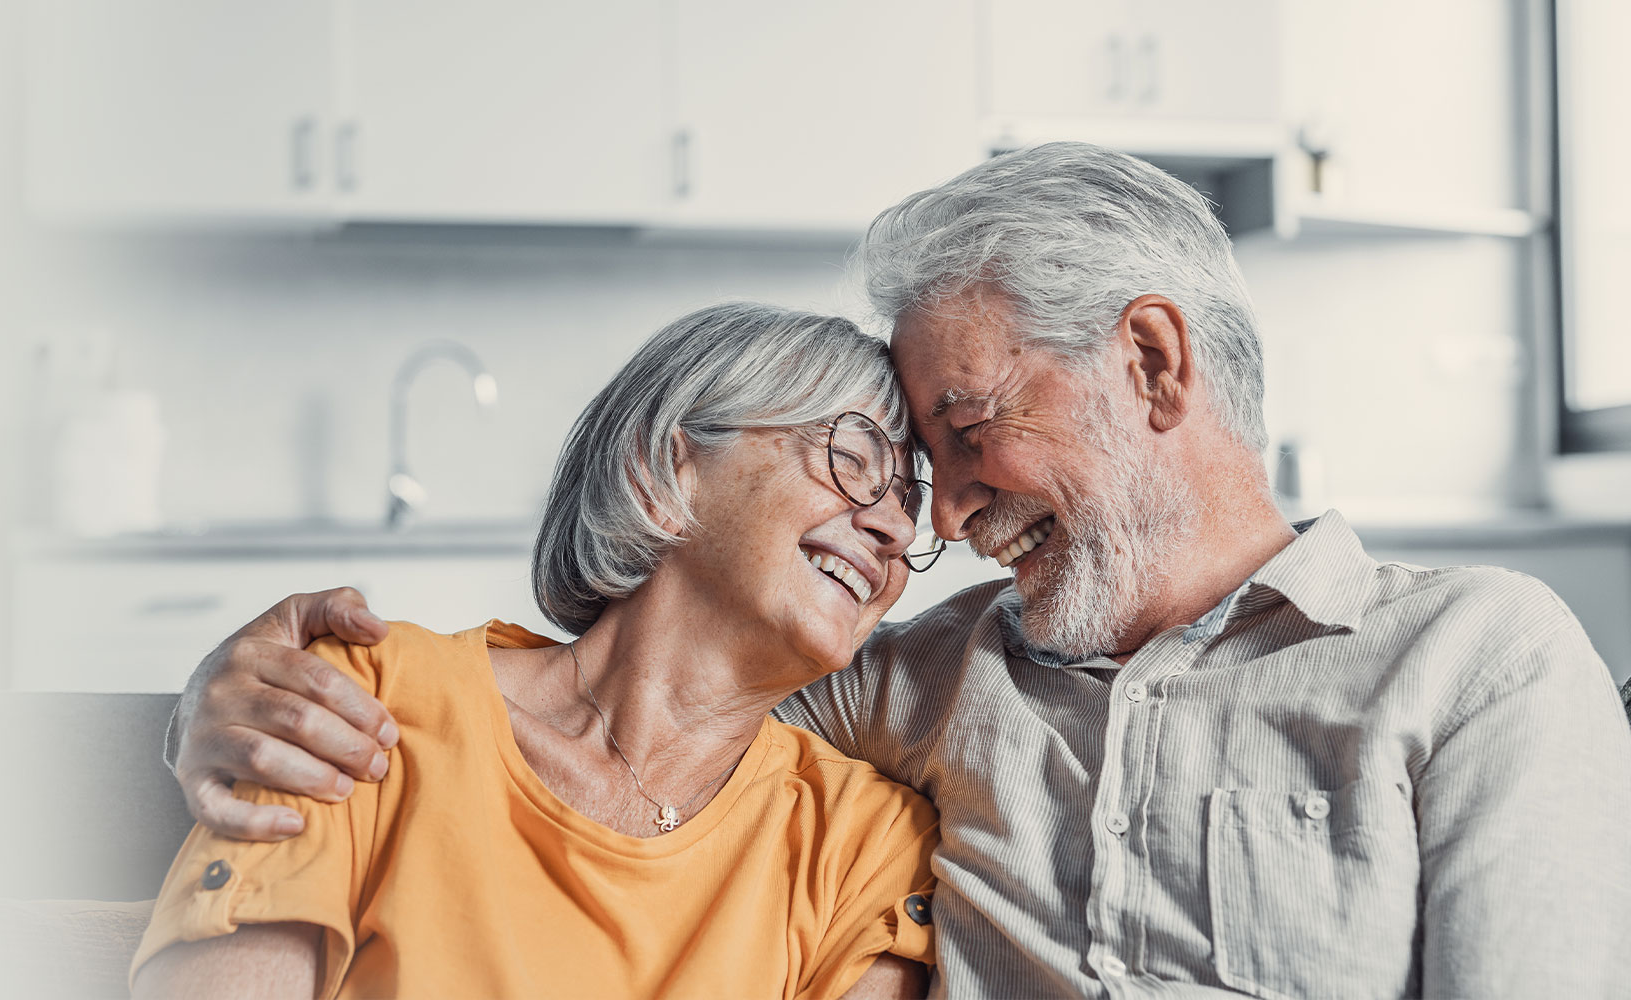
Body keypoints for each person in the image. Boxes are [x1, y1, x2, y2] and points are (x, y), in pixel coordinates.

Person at [171, 142, 1631, 997]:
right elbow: (639, 698)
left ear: (1151, 361)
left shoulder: (1478, 658)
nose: (936, 516)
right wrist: (220, 694)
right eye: (891, 467)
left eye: (964, 432)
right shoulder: (912, 688)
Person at [132, 303, 951, 999]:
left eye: (910, 502)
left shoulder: (865, 845)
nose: (895, 528)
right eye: (853, 461)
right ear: (664, 471)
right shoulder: (368, 704)